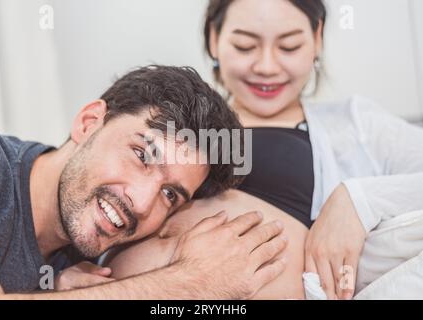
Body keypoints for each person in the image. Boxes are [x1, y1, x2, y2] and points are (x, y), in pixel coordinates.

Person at [108, 0, 423, 299]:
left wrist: (360, 199)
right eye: (245, 46)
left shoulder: (358, 124)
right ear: (215, 39)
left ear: (317, 38)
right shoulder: (183, 118)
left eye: (289, 46)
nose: (267, 66)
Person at [0, 65, 288, 299]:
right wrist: (189, 281)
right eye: (142, 155)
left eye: (169, 194)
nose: (140, 202)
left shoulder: (79, 264)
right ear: (89, 123)